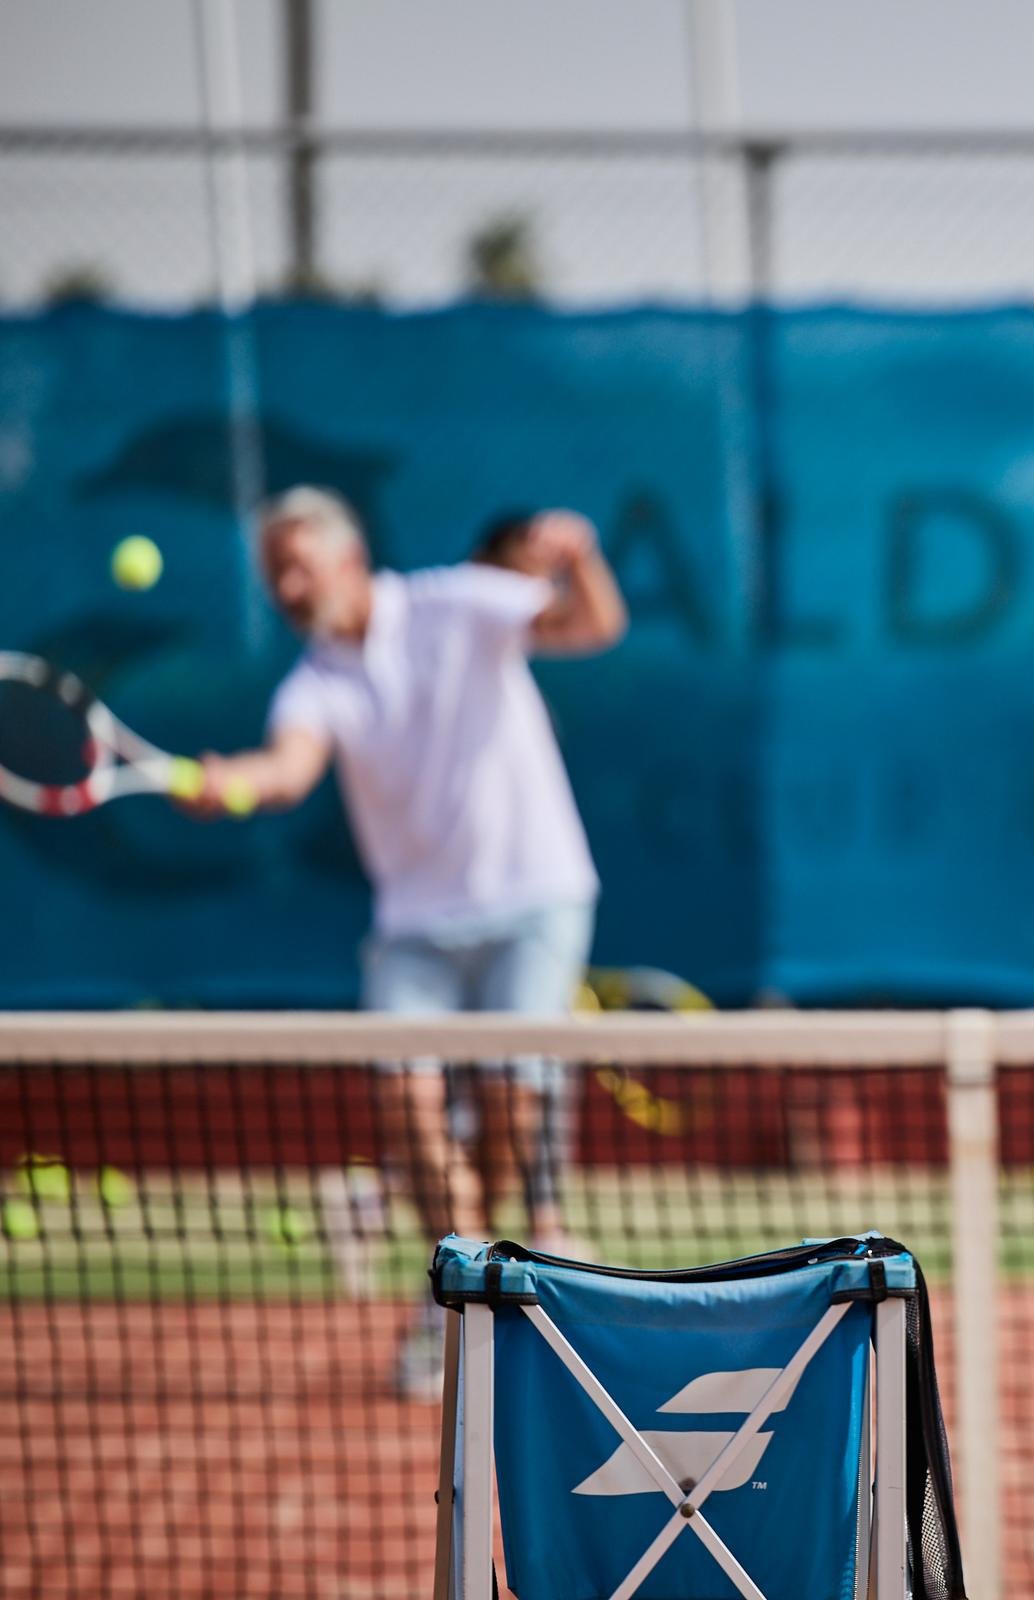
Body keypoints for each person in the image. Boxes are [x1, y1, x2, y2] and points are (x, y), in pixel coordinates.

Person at [180, 486, 626, 1398]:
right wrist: (233, 783)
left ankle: (467, 1282)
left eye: (300, 565)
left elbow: (593, 627)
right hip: (415, 926)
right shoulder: (313, 683)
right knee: (408, 1104)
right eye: (275, 576)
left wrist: (578, 557)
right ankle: (456, 1299)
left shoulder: (457, 601)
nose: (290, 587)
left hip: (534, 895)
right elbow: (289, 768)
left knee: (512, 1103)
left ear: (349, 556)